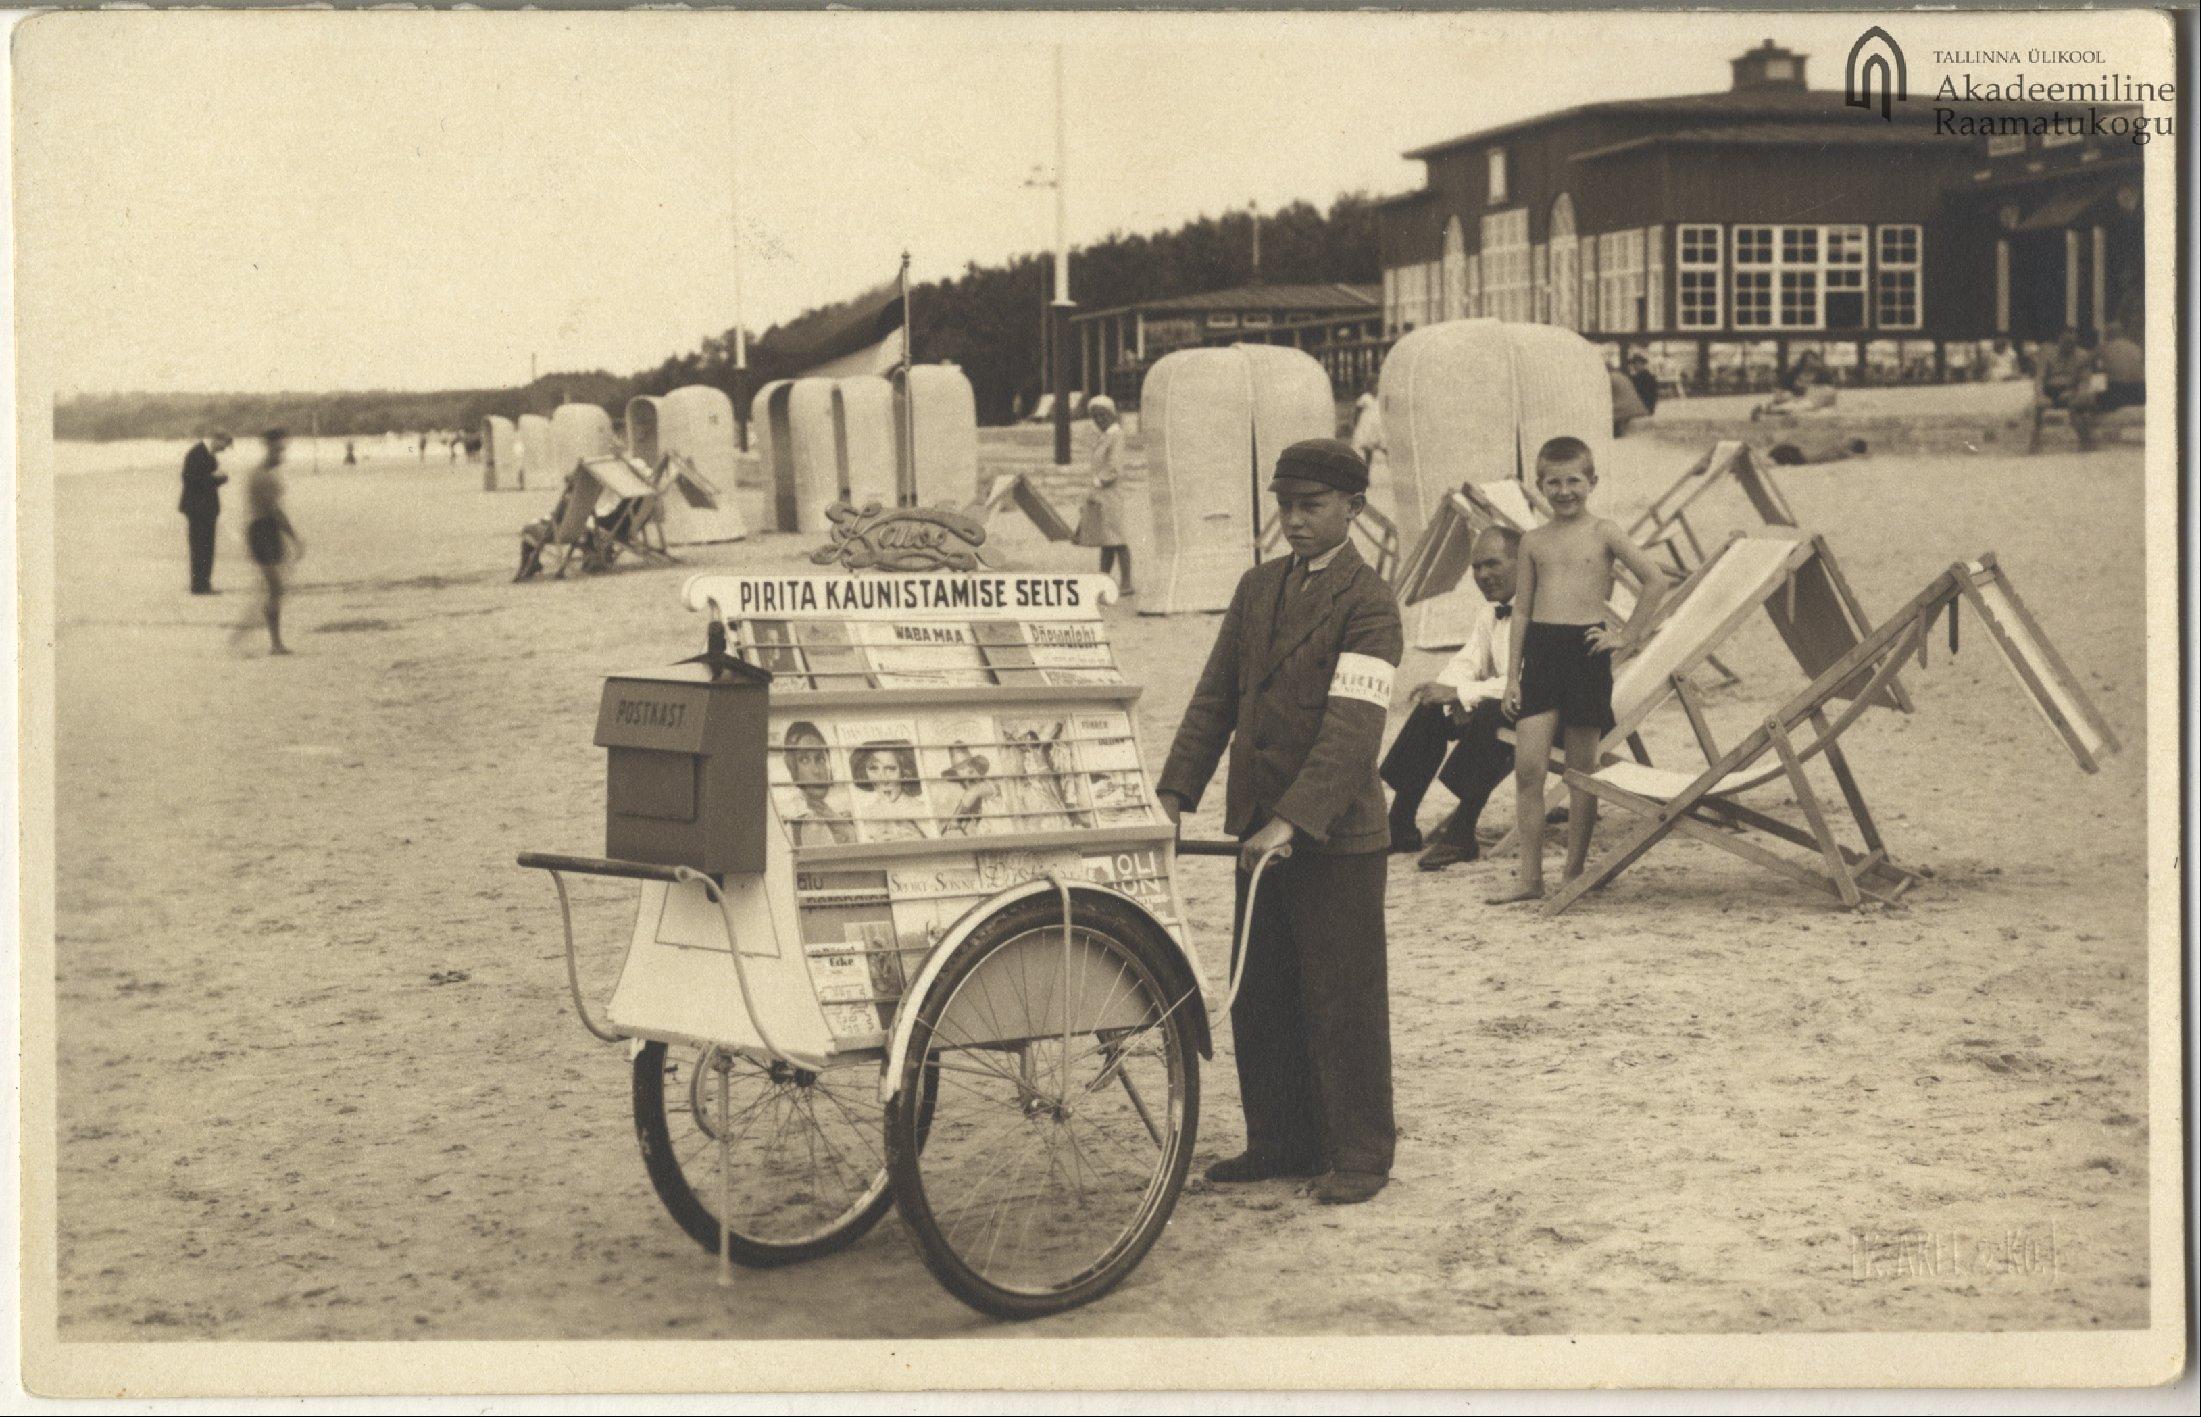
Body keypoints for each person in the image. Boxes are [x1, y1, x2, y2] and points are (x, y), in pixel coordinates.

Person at [1156, 437, 1401, 1206]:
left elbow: (1352, 730)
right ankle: (1281, 1139)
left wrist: (1293, 820)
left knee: (1342, 996)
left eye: (1311, 506)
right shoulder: (1256, 587)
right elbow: (1214, 699)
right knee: (1260, 992)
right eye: (1284, 506)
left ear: (1353, 509)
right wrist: (1173, 793)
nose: (1292, 521)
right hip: (1254, 827)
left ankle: (1359, 1150)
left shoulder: (1369, 604)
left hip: (1335, 836)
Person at [1489, 436, 1668, 905]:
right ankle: (1530, 877)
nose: (1564, 491)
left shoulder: (1604, 532)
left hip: (1586, 653)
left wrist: (1628, 636)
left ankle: (1573, 871)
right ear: (1540, 486)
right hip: (1542, 654)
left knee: (1581, 772)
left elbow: (1656, 580)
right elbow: (1522, 611)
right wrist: (1512, 676)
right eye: (1554, 482)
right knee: (1528, 770)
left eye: (1574, 481)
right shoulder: (1532, 540)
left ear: (1592, 482)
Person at [1380, 526, 1520, 871]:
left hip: (1553, 712)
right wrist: (1446, 694)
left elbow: (1533, 683)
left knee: (1489, 713)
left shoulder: (1545, 610)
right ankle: (1400, 821)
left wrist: (1462, 694)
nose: (1483, 575)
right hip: (1512, 703)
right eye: (1476, 567)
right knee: (1434, 708)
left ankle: (1462, 832)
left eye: (1493, 564)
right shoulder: (1492, 611)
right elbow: (1467, 662)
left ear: (1522, 564)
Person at [235, 428, 303, 656]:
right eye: (279, 449)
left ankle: (268, 640)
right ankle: (270, 642)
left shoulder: (265, 473)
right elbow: (273, 510)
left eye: (283, 449)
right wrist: (294, 537)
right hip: (262, 531)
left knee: (273, 588)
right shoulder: (262, 476)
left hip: (264, 530)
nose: (282, 454)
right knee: (274, 587)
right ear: (269, 448)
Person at [1073, 396, 1133, 594]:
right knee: (1106, 540)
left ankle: (1126, 582)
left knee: (1118, 538)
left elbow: (1114, 467)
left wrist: (1101, 480)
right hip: (1101, 495)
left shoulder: (1116, 435)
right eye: (1095, 416)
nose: (1099, 419)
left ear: (1111, 414)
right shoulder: (1105, 436)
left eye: (1102, 415)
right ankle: (1103, 580)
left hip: (1111, 493)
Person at [177, 430, 232, 594]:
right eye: (224, 445)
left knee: (205, 547)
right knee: (200, 547)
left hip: (205, 509)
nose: (224, 450)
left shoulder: (208, 455)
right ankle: (199, 585)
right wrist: (217, 478)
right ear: (216, 439)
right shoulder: (196, 454)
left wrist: (218, 479)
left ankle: (203, 583)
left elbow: (201, 480)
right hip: (197, 510)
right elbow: (190, 480)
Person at [2033, 328, 2099, 450]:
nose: (2068, 346)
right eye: (2065, 342)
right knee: (2038, 406)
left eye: (2071, 343)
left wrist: (2077, 393)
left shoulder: (2082, 355)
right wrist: (2040, 395)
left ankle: (2086, 440)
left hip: (2071, 390)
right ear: (2059, 341)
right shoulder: (2048, 354)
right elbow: (2039, 378)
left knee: (2080, 404)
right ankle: (2035, 441)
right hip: (2050, 390)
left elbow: (2085, 381)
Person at [1349, 384, 1385, 469]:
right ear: (1370, 387)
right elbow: (1357, 410)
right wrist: (1355, 421)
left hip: (1377, 424)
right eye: (1374, 386)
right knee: (1367, 445)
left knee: (1382, 444)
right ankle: (1366, 466)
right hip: (1366, 424)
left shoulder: (1380, 398)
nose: (1376, 388)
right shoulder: (1366, 397)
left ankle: (1390, 462)